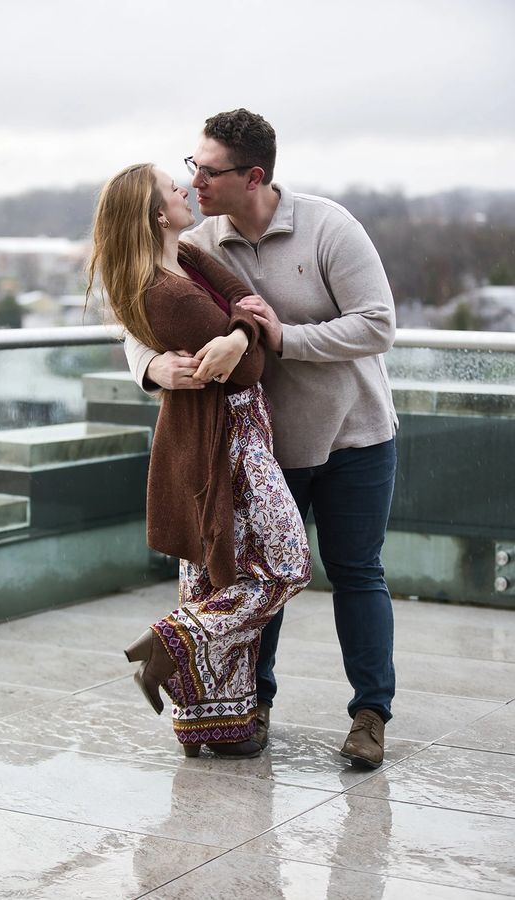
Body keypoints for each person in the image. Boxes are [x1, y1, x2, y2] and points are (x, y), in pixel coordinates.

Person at [125, 109, 398, 770]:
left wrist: (280, 338)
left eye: (207, 170)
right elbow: (138, 305)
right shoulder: (203, 242)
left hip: (355, 438)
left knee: (357, 574)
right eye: (189, 168)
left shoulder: (328, 227)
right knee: (253, 578)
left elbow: (377, 324)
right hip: (261, 450)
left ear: (253, 176)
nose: (195, 182)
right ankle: (255, 704)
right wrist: (150, 367)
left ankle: (370, 715)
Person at [87, 163, 311, 758]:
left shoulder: (184, 259)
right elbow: (254, 366)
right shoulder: (169, 293)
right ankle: (174, 639)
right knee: (285, 566)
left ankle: (216, 724)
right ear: (157, 213)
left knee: (220, 570)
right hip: (226, 437)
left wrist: (238, 333)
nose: (185, 189)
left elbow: (246, 302)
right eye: (172, 187)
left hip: (222, 430)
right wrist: (246, 339)